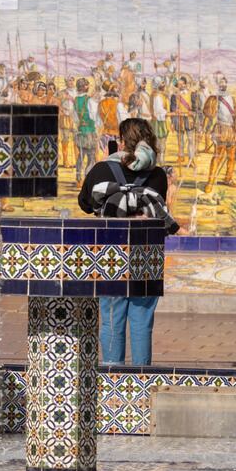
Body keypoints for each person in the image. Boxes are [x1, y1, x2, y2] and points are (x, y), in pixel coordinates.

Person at [77, 118, 169, 366]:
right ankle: (141, 384)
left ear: (120, 140)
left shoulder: (101, 170)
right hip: (146, 254)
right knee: (141, 319)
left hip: (111, 252)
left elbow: (85, 204)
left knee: (110, 317)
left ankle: (111, 383)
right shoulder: (158, 174)